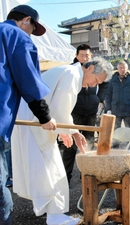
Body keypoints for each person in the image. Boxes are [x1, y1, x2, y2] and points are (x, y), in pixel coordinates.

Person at [11, 56, 113, 225]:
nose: (94, 85)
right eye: (95, 80)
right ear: (89, 68)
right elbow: (60, 107)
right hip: (34, 123)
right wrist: (72, 132)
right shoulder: (72, 74)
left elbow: (58, 108)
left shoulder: (69, 72)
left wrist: (70, 131)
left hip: (35, 121)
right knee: (51, 170)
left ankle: (54, 215)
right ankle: (55, 216)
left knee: (50, 170)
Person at [0, 5, 57, 224]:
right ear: (26, 20)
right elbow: (29, 81)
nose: (32, 33)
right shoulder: (17, 36)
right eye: (33, 28)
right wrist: (45, 116)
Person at [61, 44, 109, 185]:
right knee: (70, 145)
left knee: (88, 143)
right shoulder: (72, 71)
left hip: (91, 110)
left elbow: (105, 83)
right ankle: (66, 177)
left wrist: (99, 98)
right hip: (75, 111)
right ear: (76, 56)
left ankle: (87, 176)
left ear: (91, 56)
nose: (84, 58)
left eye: (87, 55)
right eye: (82, 55)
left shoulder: (95, 69)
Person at [105, 61, 130, 132]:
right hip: (115, 109)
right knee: (115, 132)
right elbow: (108, 95)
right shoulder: (112, 81)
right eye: (120, 68)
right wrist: (108, 109)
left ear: (127, 69)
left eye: (124, 68)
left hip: (129, 110)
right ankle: (115, 143)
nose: (122, 69)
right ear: (117, 69)